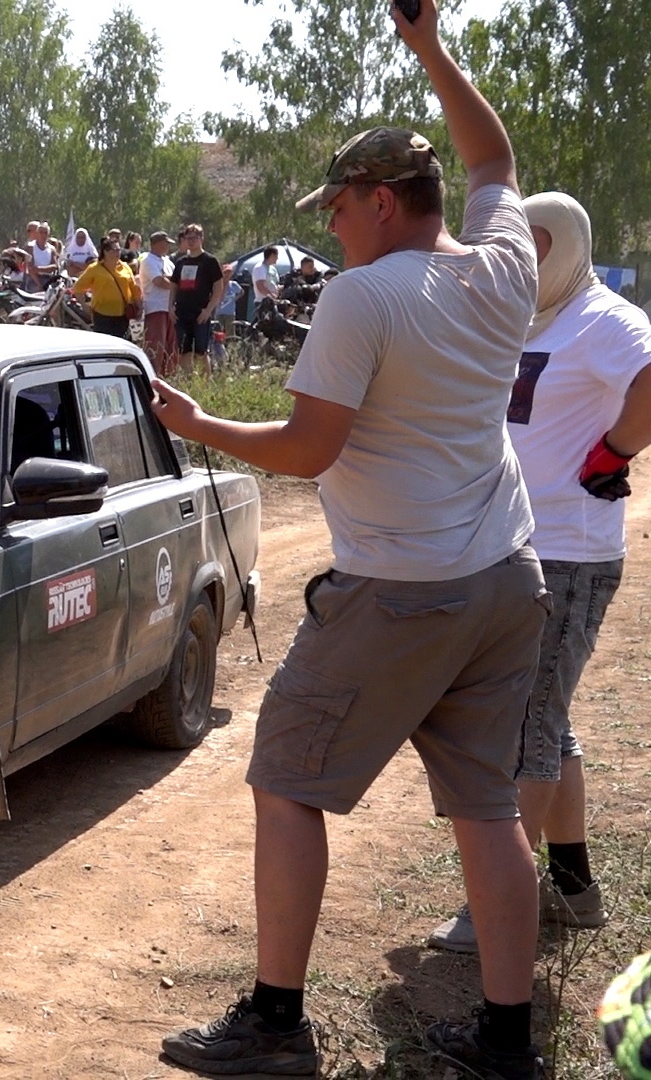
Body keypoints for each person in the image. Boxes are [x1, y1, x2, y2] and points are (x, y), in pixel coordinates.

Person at [153, 4, 547, 1076]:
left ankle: (277, 1021)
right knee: (487, 804)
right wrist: (429, 47)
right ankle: (508, 1044)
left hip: (403, 588)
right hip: (507, 574)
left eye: (337, 208)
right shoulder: (505, 265)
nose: (331, 225)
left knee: (285, 778)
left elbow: (308, 449)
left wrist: (198, 426)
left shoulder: (363, 296)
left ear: (381, 203)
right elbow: (495, 155)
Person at [423, 191, 651, 955]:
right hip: (519, 544)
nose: (529, 255)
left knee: (528, 733)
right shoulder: (536, 317)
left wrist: (615, 451)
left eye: (539, 242)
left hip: (572, 552)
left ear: (571, 245)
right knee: (550, 722)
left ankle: (498, 905)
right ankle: (575, 888)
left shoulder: (606, 320)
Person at [171, 224, 226, 372]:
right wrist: (170, 308)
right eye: (188, 238)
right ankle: (188, 384)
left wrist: (208, 310)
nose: (191, 241)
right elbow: (174, 286)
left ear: (202, 238)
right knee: (184, 351)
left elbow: (218, 287)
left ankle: (205, 386)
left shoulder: (210, 261)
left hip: (201, 312)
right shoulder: (181, 262)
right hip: (182, 312)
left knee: (201, 351)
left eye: (194, 238)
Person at [72, 237, 140, 338]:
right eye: (115, 250)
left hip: (122, 314)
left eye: (119, 249)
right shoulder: (94, 269)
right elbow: (77, 288)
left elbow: (134, 289)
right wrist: (84, 306)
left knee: (123, 344)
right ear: (106, 252)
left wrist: (139, 306)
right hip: (102, 315)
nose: (118, 252)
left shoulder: (125, 267)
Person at [141, 231, 178, 371]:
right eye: (165, 243)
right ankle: (153, 374)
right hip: (155, 308)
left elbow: (175, 279)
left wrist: (174, 284)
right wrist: (176, 286)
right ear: (157, 243)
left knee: (171, 345)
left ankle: (168, 374)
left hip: (170, 308)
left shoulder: (167, 262)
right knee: (156, 345)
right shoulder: (148, 260)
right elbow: (159, 281)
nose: (168, 246)